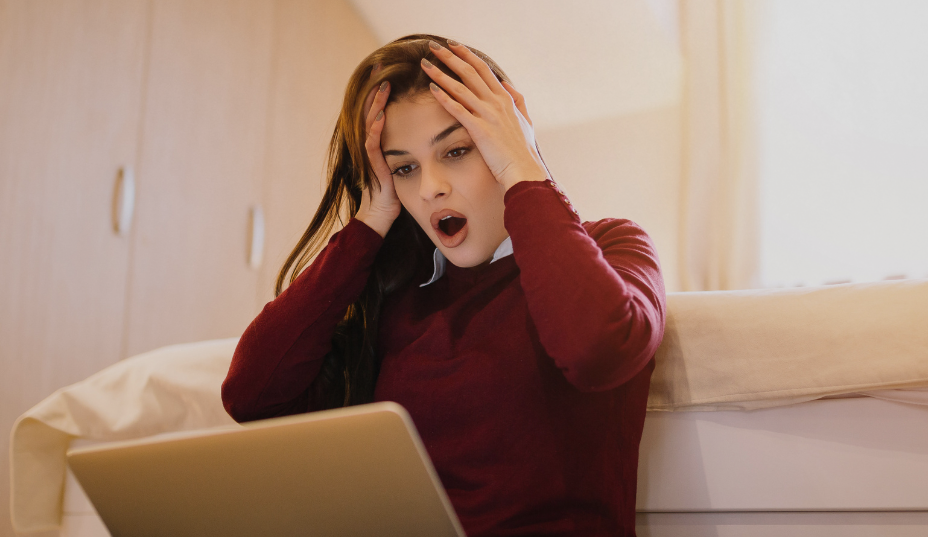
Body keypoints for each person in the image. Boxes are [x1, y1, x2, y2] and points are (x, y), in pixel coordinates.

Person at [221, 33, 667, 536]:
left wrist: (524, 167)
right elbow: (252, 396)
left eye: (456, 150)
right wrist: (371, 220)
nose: (429, 187)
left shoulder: (612, 247)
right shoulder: (400, 298)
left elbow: (597, 347)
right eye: (404, 168)